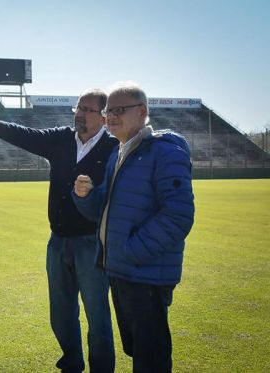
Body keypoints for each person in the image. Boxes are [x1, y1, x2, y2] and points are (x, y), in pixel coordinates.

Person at [0, 89, 118, 372]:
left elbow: (117, 194)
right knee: (60, 314)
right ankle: (71, 363)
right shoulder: (60, 139)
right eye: (78, 108)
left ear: (104, 117)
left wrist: (95, 192)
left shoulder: (113, 148)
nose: (79, 113)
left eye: (87, 109)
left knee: (98, 316)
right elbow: (27, 135)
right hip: (57, 242)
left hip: (91, 243)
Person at [72, 82, 195, 372]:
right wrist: (85, 196)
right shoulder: (120, 151)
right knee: (137, 348)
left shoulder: (165, 152)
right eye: (108, 111)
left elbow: (178, 216)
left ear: (142, 112)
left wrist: (129, 251)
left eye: (119, 110)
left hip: (144, 272)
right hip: (122, 270)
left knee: (151, 355)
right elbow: (106, 209)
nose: (111, 116)